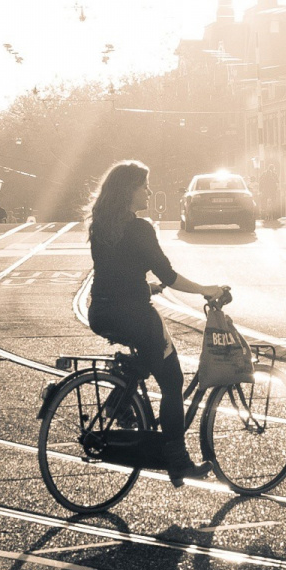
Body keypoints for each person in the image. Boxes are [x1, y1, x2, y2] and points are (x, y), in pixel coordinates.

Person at [85, 160, 230, 486]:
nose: (149, 191)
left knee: (150, 360)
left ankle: (120, 398)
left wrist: (144, 285)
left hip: (102, 311)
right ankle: (177, 460)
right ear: (129, 191)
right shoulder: (139, 228)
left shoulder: (101, 224)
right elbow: (169, 275)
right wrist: (206, 289)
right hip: (134, 313)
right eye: (144, 185)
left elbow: (115, 271)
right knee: (172, 380)